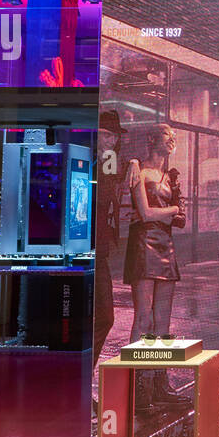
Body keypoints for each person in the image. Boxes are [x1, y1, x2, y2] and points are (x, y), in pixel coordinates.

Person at [122, 124, 187, 404]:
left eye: (174, 136)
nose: (171, 140)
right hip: (143, 246)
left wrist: (174, 212)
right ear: (151, 139)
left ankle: (161, 386)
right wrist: (172, 210)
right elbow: (146, 214)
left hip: (165, 247)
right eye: (166, 135)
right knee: (143, 319)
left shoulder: (170, 177)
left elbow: (180, 220)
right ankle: (137, 389)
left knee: (163, 320)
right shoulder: (138, 170)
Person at [92, 110, 125, 365]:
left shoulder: (109, 162)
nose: (111, 141)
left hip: (100, 249)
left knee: (104, 316)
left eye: (114, 136)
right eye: (107, 135)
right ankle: (81, 375)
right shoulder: (90, 161)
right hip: (85, 249)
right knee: (101, 316)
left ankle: (84, 373)